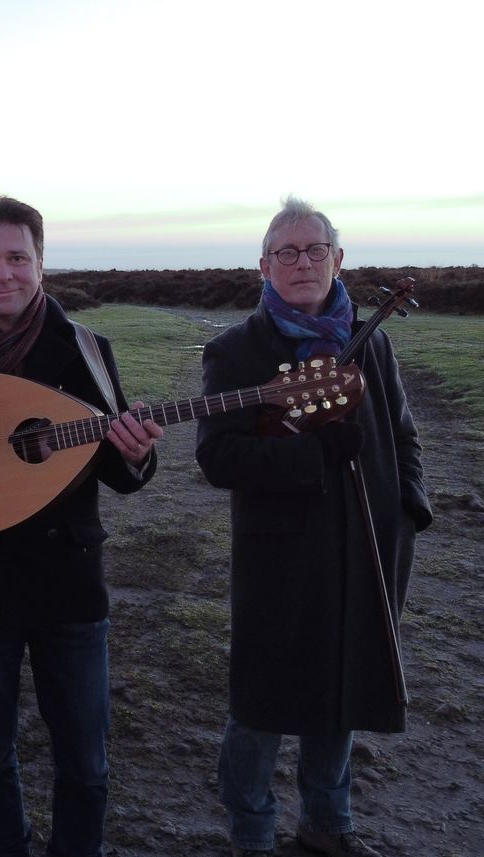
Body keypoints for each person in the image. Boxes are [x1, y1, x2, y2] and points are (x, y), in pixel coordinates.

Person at [0, 195, 163, 857]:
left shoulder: (86, 349)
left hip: (68, 585)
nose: (3, 273)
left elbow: (118, 466)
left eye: (17, 257)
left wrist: (137, 453)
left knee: (85, 757)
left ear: (41, 262)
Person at [195, 196, 433, 857]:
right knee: (262, 704)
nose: (303, 262)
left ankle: (328, 823)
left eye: (316, 249)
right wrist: (310, 455)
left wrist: (409, 509)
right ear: (264, 266)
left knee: (342, 689)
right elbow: (217, 456)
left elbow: (404, 434)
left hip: (366, 544)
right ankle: (251, 832)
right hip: (281, 555)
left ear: (338, 258)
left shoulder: (372, 340)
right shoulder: (236, 351)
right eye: (288, 253)